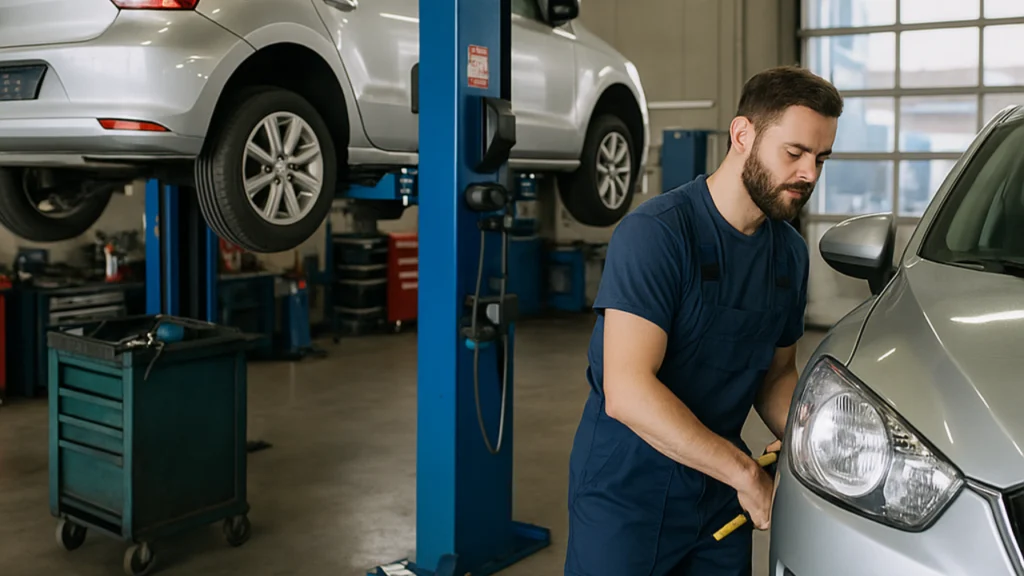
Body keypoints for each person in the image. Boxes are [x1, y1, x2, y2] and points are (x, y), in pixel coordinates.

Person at [564, 65, 842, 576]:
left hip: (715, 501)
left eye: (821, 158)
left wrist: (816, 443)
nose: (810, 174)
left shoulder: (789, 255)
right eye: (795, 153)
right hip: (627, 497)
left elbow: (777, 377)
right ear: (742, 135)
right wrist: (746, 475)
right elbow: (626, 390)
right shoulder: (656, 236)